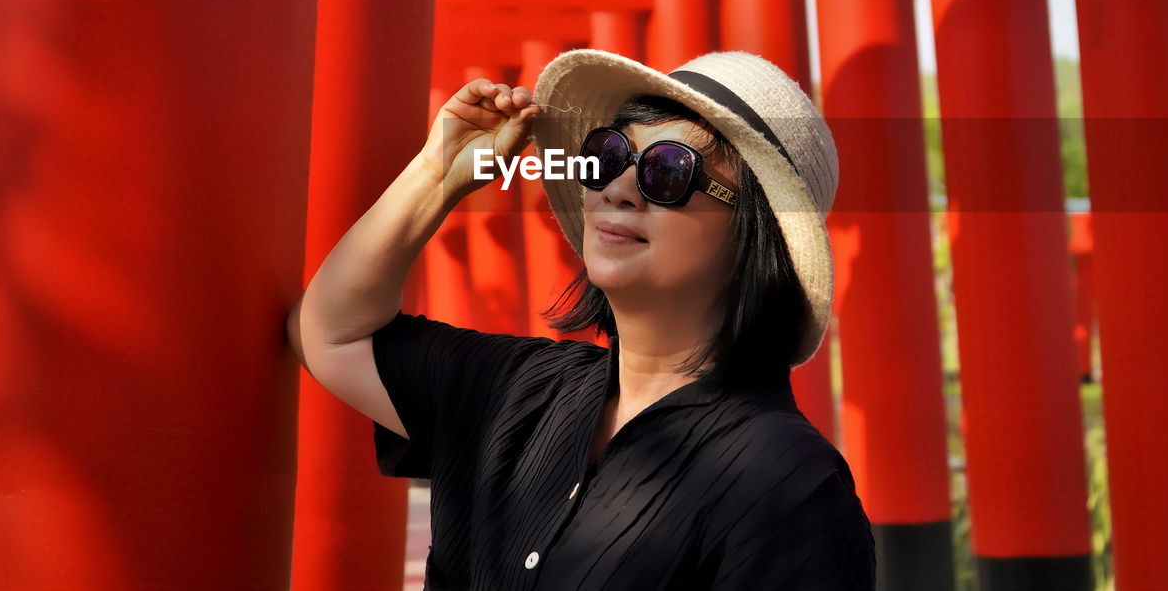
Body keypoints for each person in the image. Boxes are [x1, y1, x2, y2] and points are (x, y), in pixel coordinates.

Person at [286, 48, 876, 590]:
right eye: (609, 155)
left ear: (754, 235)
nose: (618, 187)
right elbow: (330, 332)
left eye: (669, 171)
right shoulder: (517, 388)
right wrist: (437, 176)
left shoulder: (789, 486)